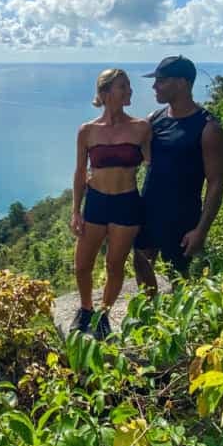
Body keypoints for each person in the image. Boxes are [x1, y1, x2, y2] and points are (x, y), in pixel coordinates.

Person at [133, 55, 223, 294]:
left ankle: (181, 326)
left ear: (183, 83)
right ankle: (151, 315)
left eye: (161, 81)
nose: (155, 86)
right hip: (150, 210)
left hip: (182, 217)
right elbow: (134, 154)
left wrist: (201, 230)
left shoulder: (208, 128)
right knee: (141, 263)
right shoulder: (155, 120)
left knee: (179, 276)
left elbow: (216, 183)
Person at [69, 68, 151, 338]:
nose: (129, 91)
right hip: (96, 203)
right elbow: (80, 172)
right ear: (105, 93)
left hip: (127, 203)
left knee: (115, 265)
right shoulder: (88, 131)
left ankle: (104, 313)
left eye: (129, 86)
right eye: (122, 86)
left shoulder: (141, 128)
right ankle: (85, 308)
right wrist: (75, 211)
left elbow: (153, 165)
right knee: (82, 265)